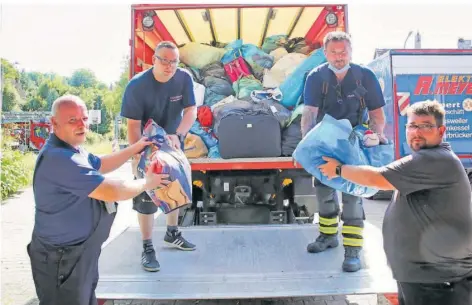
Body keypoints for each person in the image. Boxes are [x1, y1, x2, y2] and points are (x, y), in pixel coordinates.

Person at [319, 100, 472, 305]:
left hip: (439, 282)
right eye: (412, 126)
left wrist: (338, 169)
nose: (417, 132)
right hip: (425, 277)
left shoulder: (435, 159)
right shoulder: (428, 159)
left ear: (441, 130)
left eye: (426, 126)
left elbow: (377, 178)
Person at [27, 95, 169, 305]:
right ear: (54, 123)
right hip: (61, 261)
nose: (81, 125)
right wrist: (147, 182)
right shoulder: (59, 159)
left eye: (84, 118)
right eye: (72, 120)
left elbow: (101, 163)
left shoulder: (73, 150)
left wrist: (136, 147)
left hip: (76, 255)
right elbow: (113, 191)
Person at [301, 31, 387, 272]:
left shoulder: (365, 76)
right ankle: (328, 237)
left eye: (343, 52)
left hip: (353, 143)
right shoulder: (316, 77)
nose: (339, 57)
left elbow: (378, 113)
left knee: (351, 196)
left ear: (351, 52)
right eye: (334, 52)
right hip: (324, 143)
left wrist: (376, 136)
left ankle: (352, 251)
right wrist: (305, 145)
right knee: (324, 194)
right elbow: (308, 112)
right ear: (325, 53)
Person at [121, 40, 198, 272]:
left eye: (173, 61)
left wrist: (179, 134)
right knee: (147, 193)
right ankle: (147, 247)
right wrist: (138, 155)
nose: (169, 66)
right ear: (154, 59)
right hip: (146, 142)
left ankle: (172, 233)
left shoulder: (184, 79)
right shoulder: (137, 86)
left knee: (174, 185)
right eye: (164, 60)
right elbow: (133, 125)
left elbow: (191, 110)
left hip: (173, 139)